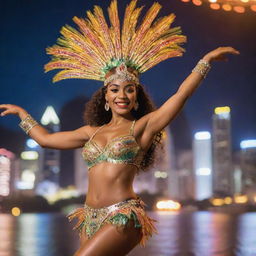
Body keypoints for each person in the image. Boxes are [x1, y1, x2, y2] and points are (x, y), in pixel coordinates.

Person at [0, 0, 239, 255]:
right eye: (114, 89)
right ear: (105, 97)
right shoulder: (89, 132)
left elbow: (180, 96)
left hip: (123, 216)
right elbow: (46, 140)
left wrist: (205, 63)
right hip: (89, 217)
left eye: (129, 89)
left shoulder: (142, 127)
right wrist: (23, 115)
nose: (121, 95)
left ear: (137, 97)